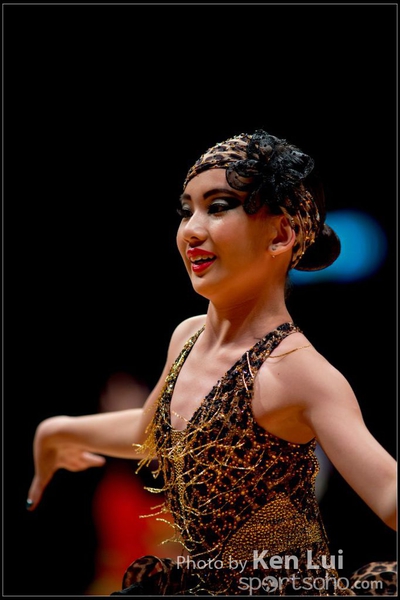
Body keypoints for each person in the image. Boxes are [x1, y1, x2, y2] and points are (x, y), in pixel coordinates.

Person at [27, 129, 397, 596]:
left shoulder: (296, 371)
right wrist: (59, 430)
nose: (191, 230)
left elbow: (389, 495)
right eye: (187, 211)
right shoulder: (188, 335)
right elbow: (154, 433)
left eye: (218, 207)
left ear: (280, 234)